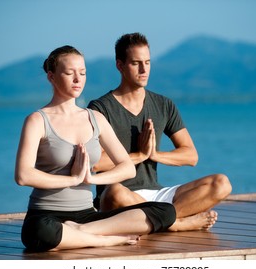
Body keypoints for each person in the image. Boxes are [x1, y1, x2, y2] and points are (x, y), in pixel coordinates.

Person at [14, 45, 176, 252]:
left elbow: (127, 167)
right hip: (46, 215)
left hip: (87, 215)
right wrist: (72, 180)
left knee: (165, 211)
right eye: (69, 73)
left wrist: (91, 179)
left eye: (82, 73)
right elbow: (23, 175)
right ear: (51, 76)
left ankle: (80, 232)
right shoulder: (37, 121)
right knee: (39, 231)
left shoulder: (94, 118)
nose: (77, 79)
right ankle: (103, 239)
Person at [88, 33, 232, 232]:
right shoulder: (99, 108)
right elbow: (94, 163)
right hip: (119, 196)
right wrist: (139, 156)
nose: (144, 69)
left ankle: (161, 220)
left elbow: (191, 155)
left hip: (157, 196)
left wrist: (155, 155)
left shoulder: (163, 105)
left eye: (147, 62)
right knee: (115, 193)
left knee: (221, 183)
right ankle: (176, 223)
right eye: (136, 63)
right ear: (120, 66)